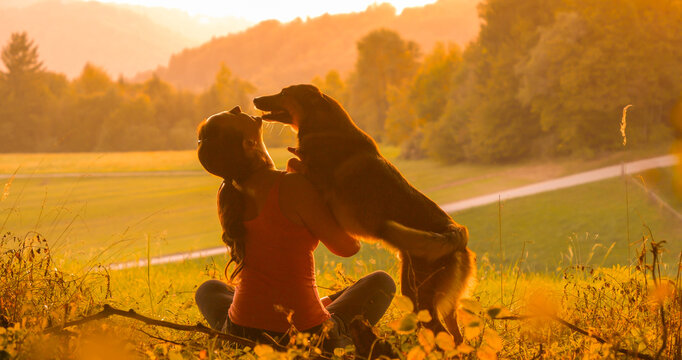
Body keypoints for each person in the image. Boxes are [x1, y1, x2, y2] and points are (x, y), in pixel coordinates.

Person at [194, 107, 396, 351]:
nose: (237, 108)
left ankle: (255, 330)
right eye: (232, 115)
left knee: (209, 289)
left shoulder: (227, 194)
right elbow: (348, 247)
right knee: (382, 283)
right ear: (249, 144)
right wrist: (320, 189)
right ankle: (338, 333)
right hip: (305, 335)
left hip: (242, 331)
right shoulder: (292, 186)